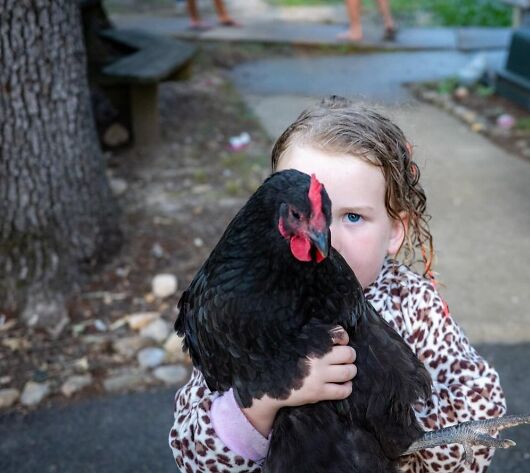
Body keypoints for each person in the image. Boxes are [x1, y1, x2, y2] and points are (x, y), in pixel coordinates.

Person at [169, 96, 506, 473]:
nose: (328, 236)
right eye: (303, 215)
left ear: (395, 232)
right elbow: (193, 454)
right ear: (272, 215)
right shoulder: (233, 311)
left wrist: (409, 437)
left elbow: (481, 404)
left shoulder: (413, 305)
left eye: (353, 217)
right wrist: (265, 400)